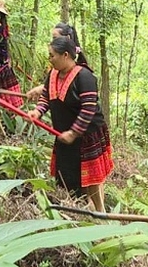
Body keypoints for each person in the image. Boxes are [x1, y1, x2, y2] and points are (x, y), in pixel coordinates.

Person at [26, 36, 113, 212]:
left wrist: (73, 133)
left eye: (52, 56)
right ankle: (83, 205)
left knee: (91, 176)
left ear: (65, 55)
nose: (49, 59)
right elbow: (47, 96)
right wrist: (38, 111)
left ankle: (100, 211)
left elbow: (88, 109)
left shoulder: (85, 76)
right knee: (69, 172)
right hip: (64, 133)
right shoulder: (53, 74)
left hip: (86, 134)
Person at [26, 23, 90, 100]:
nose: (53, 42)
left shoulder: (82, 73)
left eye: (55, 38)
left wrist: (43, 88)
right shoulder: (56, 69)